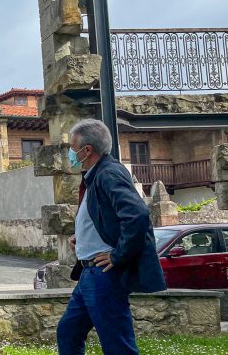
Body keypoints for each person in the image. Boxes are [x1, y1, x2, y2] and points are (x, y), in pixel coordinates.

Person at [57, 119, 166, 355]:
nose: (70, 153)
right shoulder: (96, 175)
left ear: (87, 150)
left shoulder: (109, 173)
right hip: (90, 273)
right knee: (68, 332)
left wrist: (118, 255)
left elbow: (137, 215)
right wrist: (84, 236)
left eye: (73, 147)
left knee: (117, 344)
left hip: (104, 275)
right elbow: (105, 214)